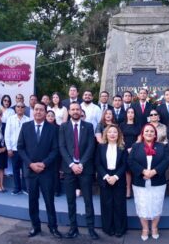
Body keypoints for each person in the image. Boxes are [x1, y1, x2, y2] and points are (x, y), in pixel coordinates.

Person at [17, 102, 62, 238]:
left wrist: (43, 164)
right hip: (31, 171)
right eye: (36, 109)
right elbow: (20, 148)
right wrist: (30, 164)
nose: (38, 112)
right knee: (32, 200)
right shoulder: (25, 127)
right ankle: (35, 226)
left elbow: (55, 150)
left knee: (49, 201)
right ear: (33, 111)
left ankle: (53, 227)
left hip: (46, 171)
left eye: (41, 110)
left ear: (45, 112)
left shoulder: (53, 129)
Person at [59, 102, 99, 239]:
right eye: (73, 109)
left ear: (81, 111)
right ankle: (73, 228)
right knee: (71, 201)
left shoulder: (88, 126)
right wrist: (72, 164)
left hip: (85, 169)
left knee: (88, 200)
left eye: (77, 109)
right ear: (69, 112)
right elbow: (62, 147)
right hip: (69, 170)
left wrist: (81, 164)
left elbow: (91, 147)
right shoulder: (63, 127)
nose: (75, 111)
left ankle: (91, 229)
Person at [128, 123, 169, 241]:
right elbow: (130, 161)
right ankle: (145, 229)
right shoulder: (136, 146)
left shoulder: (162, 147)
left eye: (152, 131)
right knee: (142, 205)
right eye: (146, 131)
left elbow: (167, 160)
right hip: (140, 182)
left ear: (155, 134)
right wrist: (143, 171)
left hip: (157, 181)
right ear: (142, 133)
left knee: (156, 205)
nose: (149, 133)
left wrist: (154, 171)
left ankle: (155, 227)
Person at [96, 125, 128, 237]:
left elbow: (125, 164)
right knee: (106, 204)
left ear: (118, 134)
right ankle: (108, 228)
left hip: (118, 177)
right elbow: (98, 163)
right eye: (110, 132)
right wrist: (106, 176)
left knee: (119, 204)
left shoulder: (122, 147)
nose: (112, 134)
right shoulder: (101, 147)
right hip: (105, 177)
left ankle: (120, 229)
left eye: (115, 132)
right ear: (106, 134)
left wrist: (115, 177)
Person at [5, 101, 31, 195]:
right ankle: (17, 188)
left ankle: (25, 188)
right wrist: (9, 148)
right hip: (14, 149)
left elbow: (30, 136)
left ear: (24, 109)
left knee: (25, 170)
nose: (20, 108)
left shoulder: (28, 120)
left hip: (25, 150)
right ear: (15, 108)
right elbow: (7, 134)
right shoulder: (10, 119)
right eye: (18, 106)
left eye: (22, 107)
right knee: (15, 170)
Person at [120, 107, 141, 198]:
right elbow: (120, 137)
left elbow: (140, 138)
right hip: (123, 149)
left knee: (135, 170)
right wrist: (125, 147)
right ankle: (128, 189)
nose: (130, 114)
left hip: (135, 149)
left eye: (132, 112)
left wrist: (132, 148)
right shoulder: (122, 125)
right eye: (129, 112)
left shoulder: (138, 125)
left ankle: (136, 190)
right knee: (127, 171)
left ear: (134, 114)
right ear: (126, 114)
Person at [46, 110, 63, 197]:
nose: (50, 117)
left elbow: (60, 141)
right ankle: (48, 190)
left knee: (56, 172)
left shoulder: (58, 127)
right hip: (45, 154)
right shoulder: (43, 127)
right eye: (48, 116)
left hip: (56, 153)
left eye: (52, 116)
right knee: (47, 172)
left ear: (54, 117)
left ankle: (57, 190)